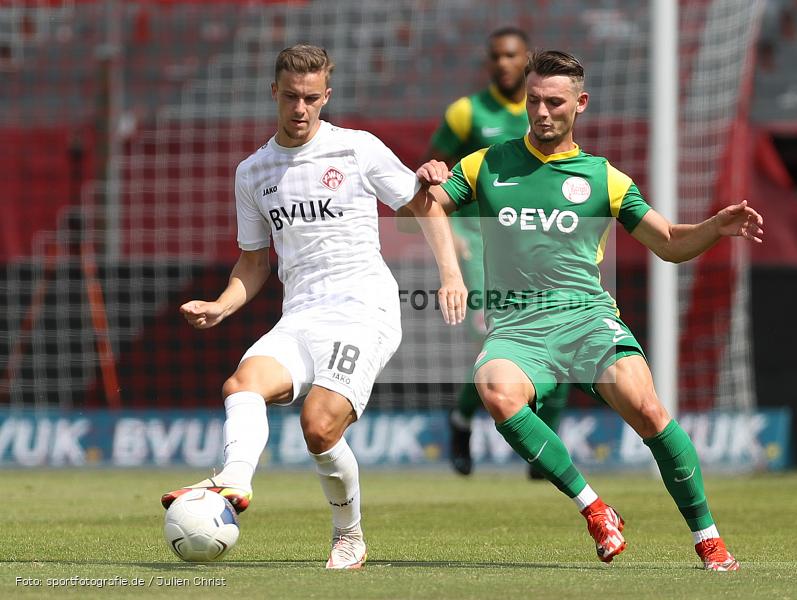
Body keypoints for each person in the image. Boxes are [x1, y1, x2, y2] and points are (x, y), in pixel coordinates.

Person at [411, 50, 764, 571]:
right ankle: (595, 508)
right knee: (495, 389)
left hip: (585, 319)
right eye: (533, 101)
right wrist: (447, 266)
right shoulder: (488, 162)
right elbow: (429, 202)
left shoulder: (605, 179)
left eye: (554, 102)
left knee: (646, 408)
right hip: (519, 325)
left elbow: (667, 242)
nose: (541, 112)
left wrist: (714, 227)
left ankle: (709, 540)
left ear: (580, 104)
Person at [160, 44, 466, 570]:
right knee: (241, 385)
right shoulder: (253, 172)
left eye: (310, 99)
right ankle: (234, 481)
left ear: (326, 96)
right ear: (273, 93)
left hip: (363, 309)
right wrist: (221, 306)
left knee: (319, 427)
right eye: (290, 98)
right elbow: (253, 264)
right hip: (301, 315)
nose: (300, 109)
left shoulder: (356, 149)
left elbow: (422, 202)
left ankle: (349, 535)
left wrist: (451, 274)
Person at [430, 26, 572, 478]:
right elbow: (435, 178)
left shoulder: (547, 109)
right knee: (493, 336)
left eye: (511, 55)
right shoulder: (465, 113)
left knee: (562, 337)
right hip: (477, 241)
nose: (503, 63)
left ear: (525, 58)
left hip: (535, 242)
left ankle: (542, 446)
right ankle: (462, 420)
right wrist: (448, 229)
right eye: (495, 56)